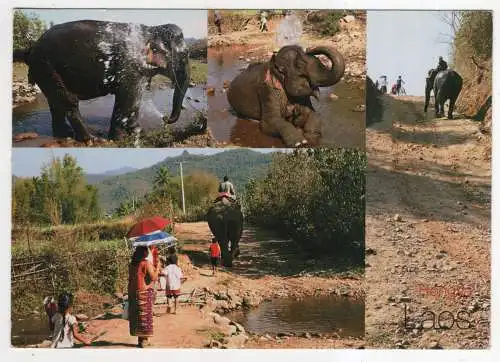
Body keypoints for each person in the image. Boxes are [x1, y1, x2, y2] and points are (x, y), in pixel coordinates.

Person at [128, 246, 162, 348]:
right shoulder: (145, 263)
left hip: (132, 292)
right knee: (144, 316)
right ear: (144, 253)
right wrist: (158, 267)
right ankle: (144, 341)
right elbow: (153, 277)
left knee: (137, 316)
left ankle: (140, 340)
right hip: (143, 291)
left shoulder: (132, 264)